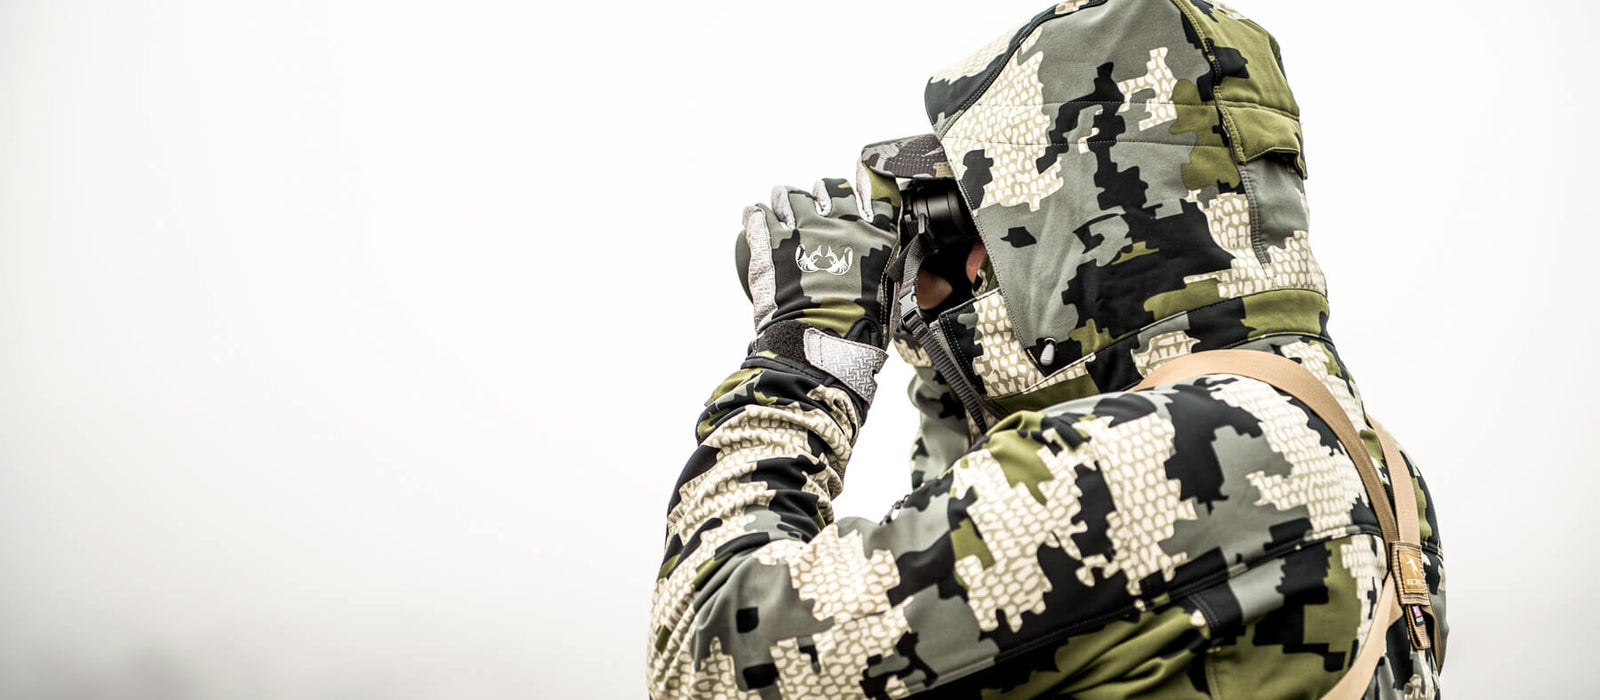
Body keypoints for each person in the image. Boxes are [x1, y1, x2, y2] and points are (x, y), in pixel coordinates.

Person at [647, 0, 1447, 697]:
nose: (976, 263)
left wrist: (809, 349)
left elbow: (705, 652)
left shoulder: (1143, 460)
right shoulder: (1369, 458)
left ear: (1076, 221)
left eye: (992, 223)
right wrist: (944, 341)